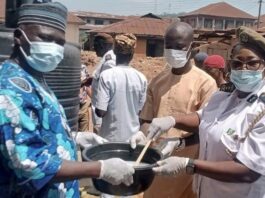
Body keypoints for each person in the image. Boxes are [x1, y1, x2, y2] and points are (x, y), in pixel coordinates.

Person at [0, 2, 134, 197]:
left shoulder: (34, 79)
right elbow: (30, 164)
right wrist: (100, 169)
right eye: (45, 38)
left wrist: (74, 138)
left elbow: (39, 133)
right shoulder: (8, 91)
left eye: (59, 42)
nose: (53, 47)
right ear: (19, 37)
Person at [135, 26, 265, 198]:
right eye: (237, 63)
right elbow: (202, 118)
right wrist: (172, 122)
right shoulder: (224, 96)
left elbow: (248, 171)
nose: (244, 69)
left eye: (252, 62)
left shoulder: (260, 110)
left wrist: (189, 164)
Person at [130, 22, 217, 198]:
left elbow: (208, 129)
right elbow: (147, 120)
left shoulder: (206, 83)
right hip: (156, 163)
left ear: (191, 48)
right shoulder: (157, 81)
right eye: (168, 47)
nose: (172, 51)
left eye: (179, 47)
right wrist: (142, 134)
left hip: (184, 168)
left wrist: (180, 143)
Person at [95, 33, 147, 142]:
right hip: (133, 138)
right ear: (133, 54)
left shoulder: (107, 75)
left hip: (110, 137)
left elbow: (101, 111)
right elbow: (141, 112)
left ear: (114, 51)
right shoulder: (141, 78)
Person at [91, 33, 116, 133]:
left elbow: (110, 87)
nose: (94, 48)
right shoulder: (105, 59)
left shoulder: (109, 61)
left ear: (102, 45)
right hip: (100, 111)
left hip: (102, 114)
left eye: (95, 46)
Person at [78, 64, 92, 131]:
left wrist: (94, 99)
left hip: (83, 105)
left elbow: (87, 85)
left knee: (84, 134)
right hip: (71, 106)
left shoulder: (83, 67)